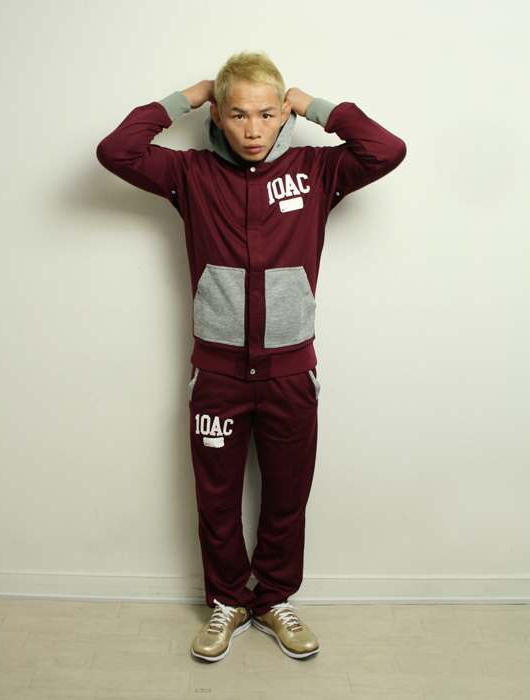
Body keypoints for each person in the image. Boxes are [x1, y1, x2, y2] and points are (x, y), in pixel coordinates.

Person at [97, 51, 406, 662]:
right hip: (217, 375)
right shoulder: (189, 174)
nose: (254, 128)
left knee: (287, 497)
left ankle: (274, 600)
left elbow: (385, 149)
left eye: (267, 113)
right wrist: (189, 95)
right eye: (238, 114)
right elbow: (117, 151)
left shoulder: (317, 170)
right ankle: (228, 601)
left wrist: (313, 104)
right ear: (218, 115)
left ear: (284, 114)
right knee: (216, 499)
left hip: (292, 374)